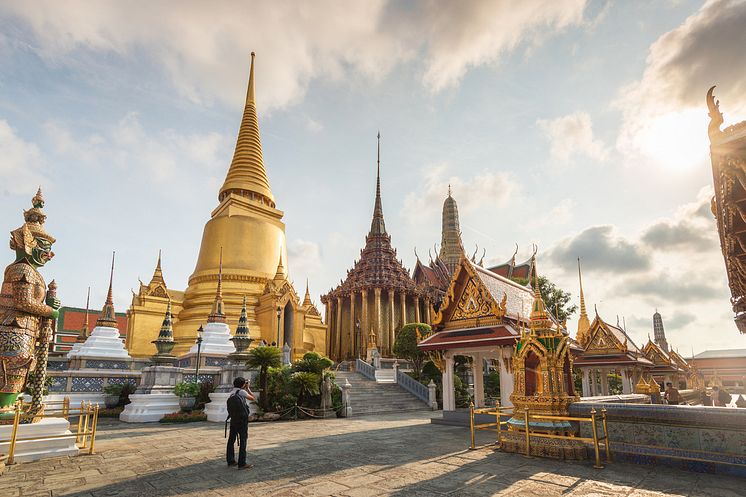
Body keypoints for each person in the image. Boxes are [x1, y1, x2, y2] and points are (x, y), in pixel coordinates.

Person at [226, 377, 255, 469]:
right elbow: (252, 398)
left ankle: (230, 460)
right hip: (242, 420)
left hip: (234, 419)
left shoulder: (232, 392)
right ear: (243, 384)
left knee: (231, 440)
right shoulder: (242, 392)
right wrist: (248, 388)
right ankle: (242, 463)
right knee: (243, 440)